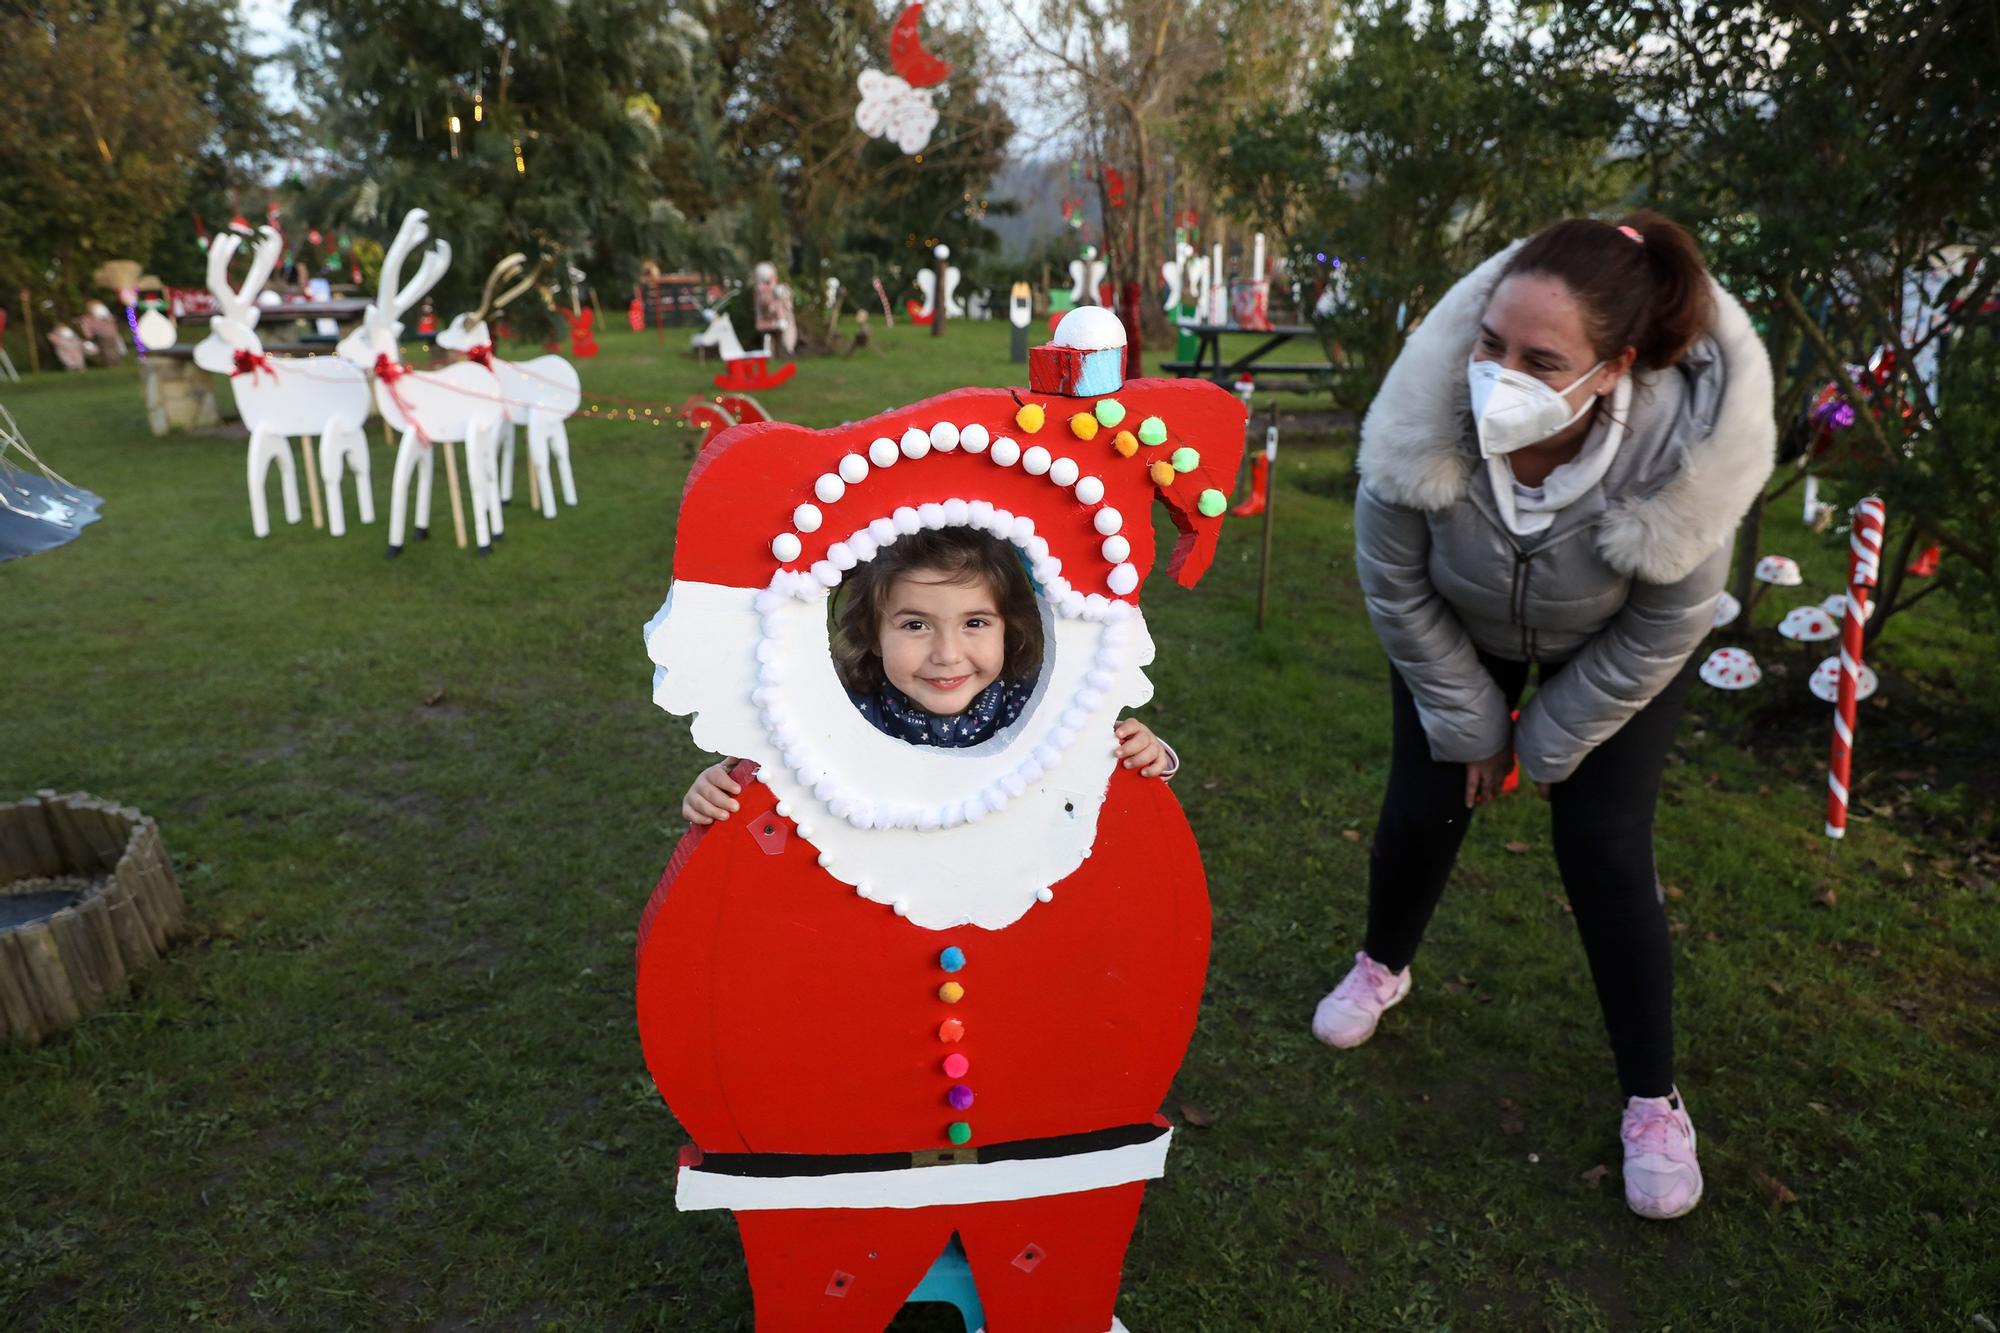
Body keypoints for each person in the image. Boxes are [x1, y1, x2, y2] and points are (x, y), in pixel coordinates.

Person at [1317, 211, 1775, 1220]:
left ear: (1610, 369)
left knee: (1603, 845)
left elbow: (1668, 621)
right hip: (1457, 626)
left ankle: (1652, 1098)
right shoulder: (1419, 416)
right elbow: (1392, 583)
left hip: (1608, 648)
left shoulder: (1685, 457)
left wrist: (1546, 737)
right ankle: (1380, 963)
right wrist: (1475, 723)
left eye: (1538, 357)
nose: (1497, 373)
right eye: (1488, 344)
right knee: (1422, 803)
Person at [683, 526, 1175, 825]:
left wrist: (1149, 753)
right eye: (915, 625)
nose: (946, 654)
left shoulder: (1040, 705)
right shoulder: (837, 711)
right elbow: (764, 777)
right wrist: (717, 786)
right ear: (873, 635)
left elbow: (1097, 776)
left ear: (1010, 627)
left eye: (975, 623)